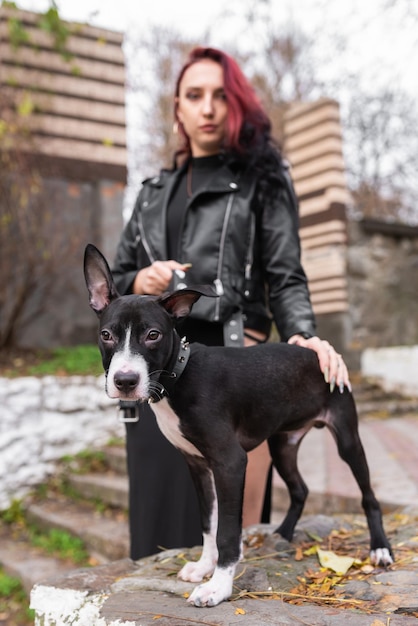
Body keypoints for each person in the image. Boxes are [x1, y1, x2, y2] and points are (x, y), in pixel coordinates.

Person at [112, 46, 350, 561]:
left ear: (237, 104)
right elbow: (114, 281)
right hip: (153, 373)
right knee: (158, 542)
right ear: (176, 108)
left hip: (235, 375)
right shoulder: (152, 192)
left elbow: (286, 275)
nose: (208, 108)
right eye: (194, 95)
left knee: (227, 540)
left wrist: (303, 333)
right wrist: (141, 278)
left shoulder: (263, 182)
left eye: (221, 95)